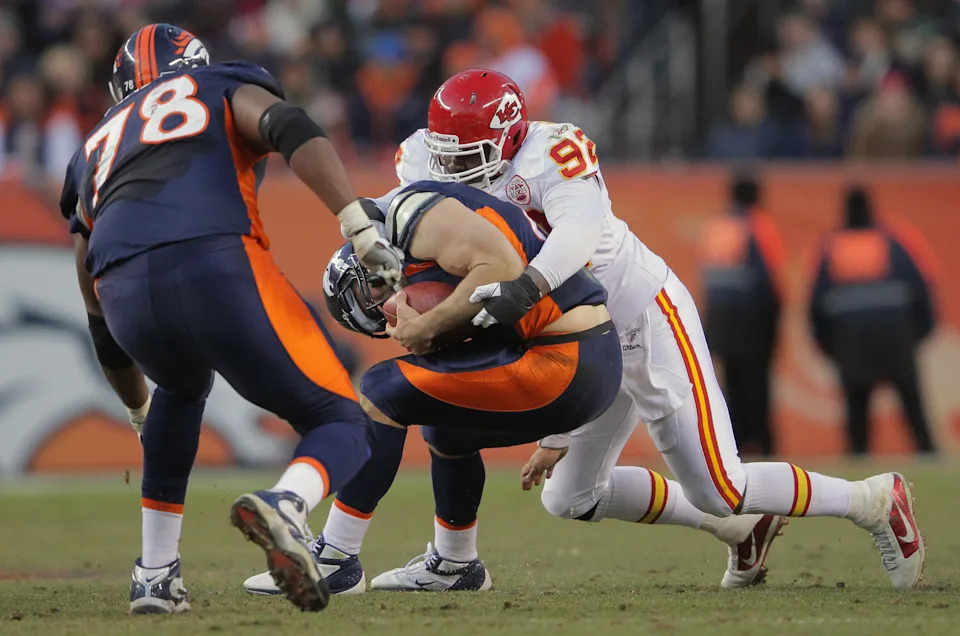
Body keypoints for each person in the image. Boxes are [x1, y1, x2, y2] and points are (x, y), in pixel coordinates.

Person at [245, 69, 925, 595]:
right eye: (444, 156)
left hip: (636, 313)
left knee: (718, 482)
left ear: (509, 139)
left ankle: (872, 500)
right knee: (571, 498)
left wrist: (523, 290)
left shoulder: (554, 151)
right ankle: (743, 529)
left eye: (468, 155)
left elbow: (577, 234)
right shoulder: (422, 159)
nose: (450, 170)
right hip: (558, 330)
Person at [61, 23, 404, 614]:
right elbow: (286, 124)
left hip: (122, 291)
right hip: (214, 260)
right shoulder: (217, 84)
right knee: (341, 421)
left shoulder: (90, 149)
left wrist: (138, 411)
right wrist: (357, 223)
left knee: (177, 391)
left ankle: (155, 574)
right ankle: (289, 503)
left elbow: (91, 301)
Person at [251, 179, 622, 593]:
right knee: (445, 428)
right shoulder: (435, 236)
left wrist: (428, 326)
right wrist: (558, 432)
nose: (385, 302)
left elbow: (503, 269)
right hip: (582, 357)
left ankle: (334, 558)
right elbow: (506, 299)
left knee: (379, 389)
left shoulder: (409, 213)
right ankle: (455, 563)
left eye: (369, 289)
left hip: (567, 355)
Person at [810, 187, 937, 455]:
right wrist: (919, 334)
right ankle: (928, 454)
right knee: (912, 407)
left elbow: (817, 305)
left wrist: (831, 347)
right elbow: (921, 289)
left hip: (851, 340)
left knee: (857, 412)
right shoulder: (894, 241)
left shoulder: (832, 246)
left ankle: (859, 463)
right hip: (896, 337)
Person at [700, 173, 784, 456]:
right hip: (751, 320)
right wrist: (774, 322)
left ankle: (734, 444)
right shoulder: (757, 225)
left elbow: (708, 279)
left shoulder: (716, 227)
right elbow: (769, 279)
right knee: (757, 384)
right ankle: (762, 443)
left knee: (731, 385)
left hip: (720, 319)